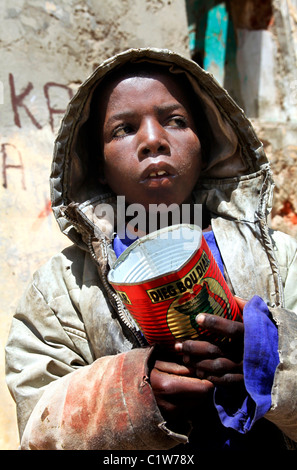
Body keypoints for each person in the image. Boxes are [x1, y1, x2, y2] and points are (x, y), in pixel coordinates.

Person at [5, 48, 297, 451]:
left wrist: (270, 358)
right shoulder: (61, 289)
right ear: (99, 166)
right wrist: (130, 397)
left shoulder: (277, 258)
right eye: (123, 130)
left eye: (176, 121)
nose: (153, 140)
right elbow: (38, 420)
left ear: (205, 144)